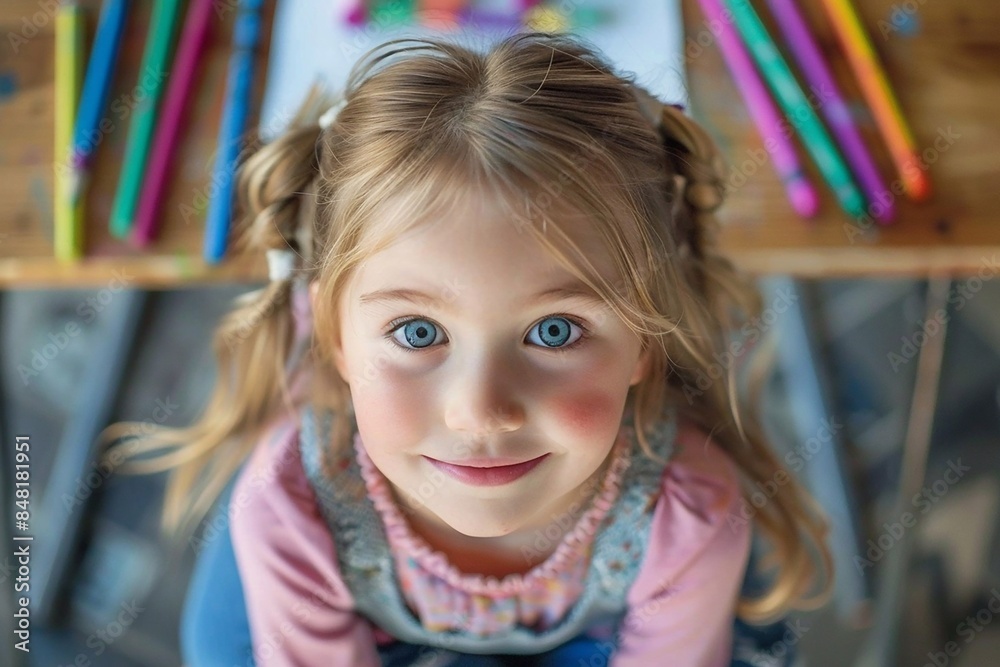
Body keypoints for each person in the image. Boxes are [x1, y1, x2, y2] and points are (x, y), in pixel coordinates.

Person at [103, 31, 832, 666]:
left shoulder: (689, 518)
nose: (481, 412)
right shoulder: (291, 506)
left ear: (645, 335)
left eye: (554, 330)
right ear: (332, 332)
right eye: (418, 332)